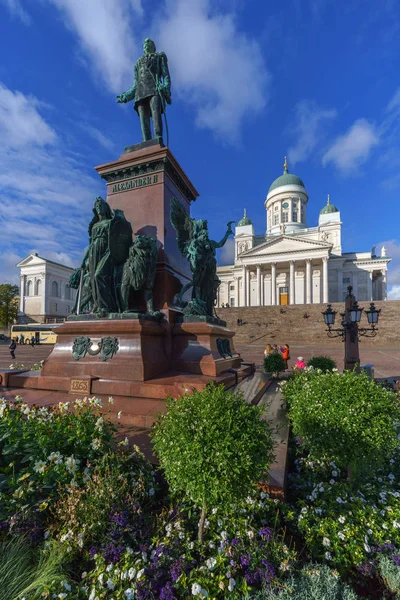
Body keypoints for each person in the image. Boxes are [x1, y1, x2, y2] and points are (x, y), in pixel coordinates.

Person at [117, 38, 171, 143]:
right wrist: (126, 96)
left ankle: (158, 137)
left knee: (156, 114)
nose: (146, 44)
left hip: (155, 89)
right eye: (144, 43)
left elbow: (166, 75)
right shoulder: (138, 63)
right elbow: (136, 84)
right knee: (143, 119)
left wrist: (165, 87)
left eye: (148, 42)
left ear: (153, 46)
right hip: (140, 93)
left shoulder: (159, 57)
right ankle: (146, 142)